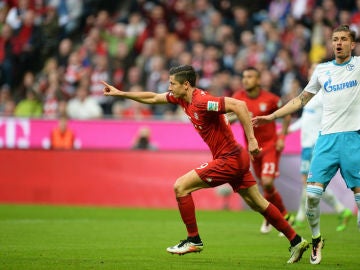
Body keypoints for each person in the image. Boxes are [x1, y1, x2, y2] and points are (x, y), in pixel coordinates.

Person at [102, 64, 309, 264]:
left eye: (172, 83)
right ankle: (296, 241)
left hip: (229, 159)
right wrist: (121, 93)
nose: (169, 87)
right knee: (258, 203)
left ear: (186, 85)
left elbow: (239, 105)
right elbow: (153, 97)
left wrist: (252, 139)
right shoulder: (181, 98)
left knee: (181, 186)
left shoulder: (202, 101)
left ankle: (193, 239)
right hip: (235, 156)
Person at [252, 25, 360, 265]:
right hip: (326, 141)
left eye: (344, 39)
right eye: (335, 39)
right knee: (312, 196)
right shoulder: (322, 70)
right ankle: (316, 239)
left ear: (352, 44)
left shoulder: (359, 66)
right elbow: (301, 99)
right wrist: (272, 116)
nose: (339, 43)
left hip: (353, 138)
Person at [230, 67, 294, 235]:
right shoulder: (238, 98)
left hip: (271, 146)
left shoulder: (271, 99)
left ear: (258, 80)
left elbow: (286, 114)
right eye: (244, 76)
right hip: (254, 149)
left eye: (250, 76)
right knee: (263, 185)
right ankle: (277, 216)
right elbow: (231, 115)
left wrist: (282, 138)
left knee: (266, 182)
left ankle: (279, 217)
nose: (246, 80)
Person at [288, 66, 352, 232]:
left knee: (311, 183)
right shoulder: (310, 96)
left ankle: (303, 217)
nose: (312, 72)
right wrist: (288, 130)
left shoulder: (325, 95)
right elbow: (305, 120)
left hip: (316, 144)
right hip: (306, 146)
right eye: (310, 70)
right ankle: (339, 210)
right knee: (309, 184)